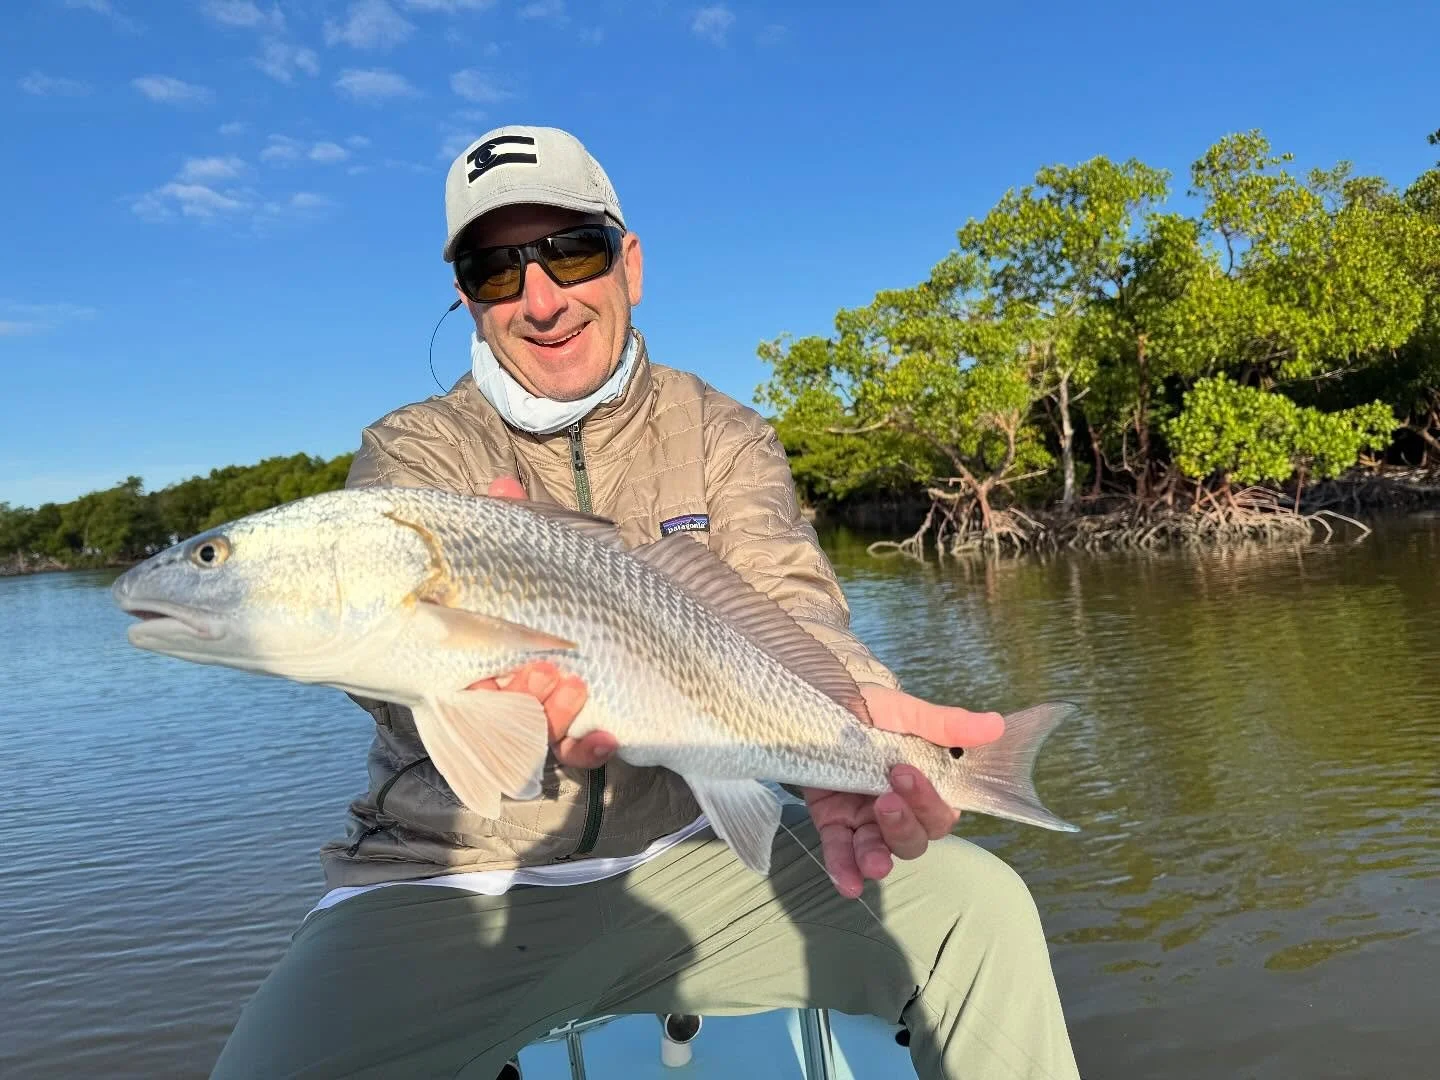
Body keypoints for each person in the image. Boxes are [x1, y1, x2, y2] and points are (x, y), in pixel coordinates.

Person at [210, 125, 1080, 1080]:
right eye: (497, 270)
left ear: (629, 263)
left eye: (570, 251)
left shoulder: (724, 432)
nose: (540, 300)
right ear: (465, 295)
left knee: (981, 911)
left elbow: (791, 604)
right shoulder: (415, 457)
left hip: (696, 850)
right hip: (451, 880)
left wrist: (858, 719)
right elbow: (380, 667)